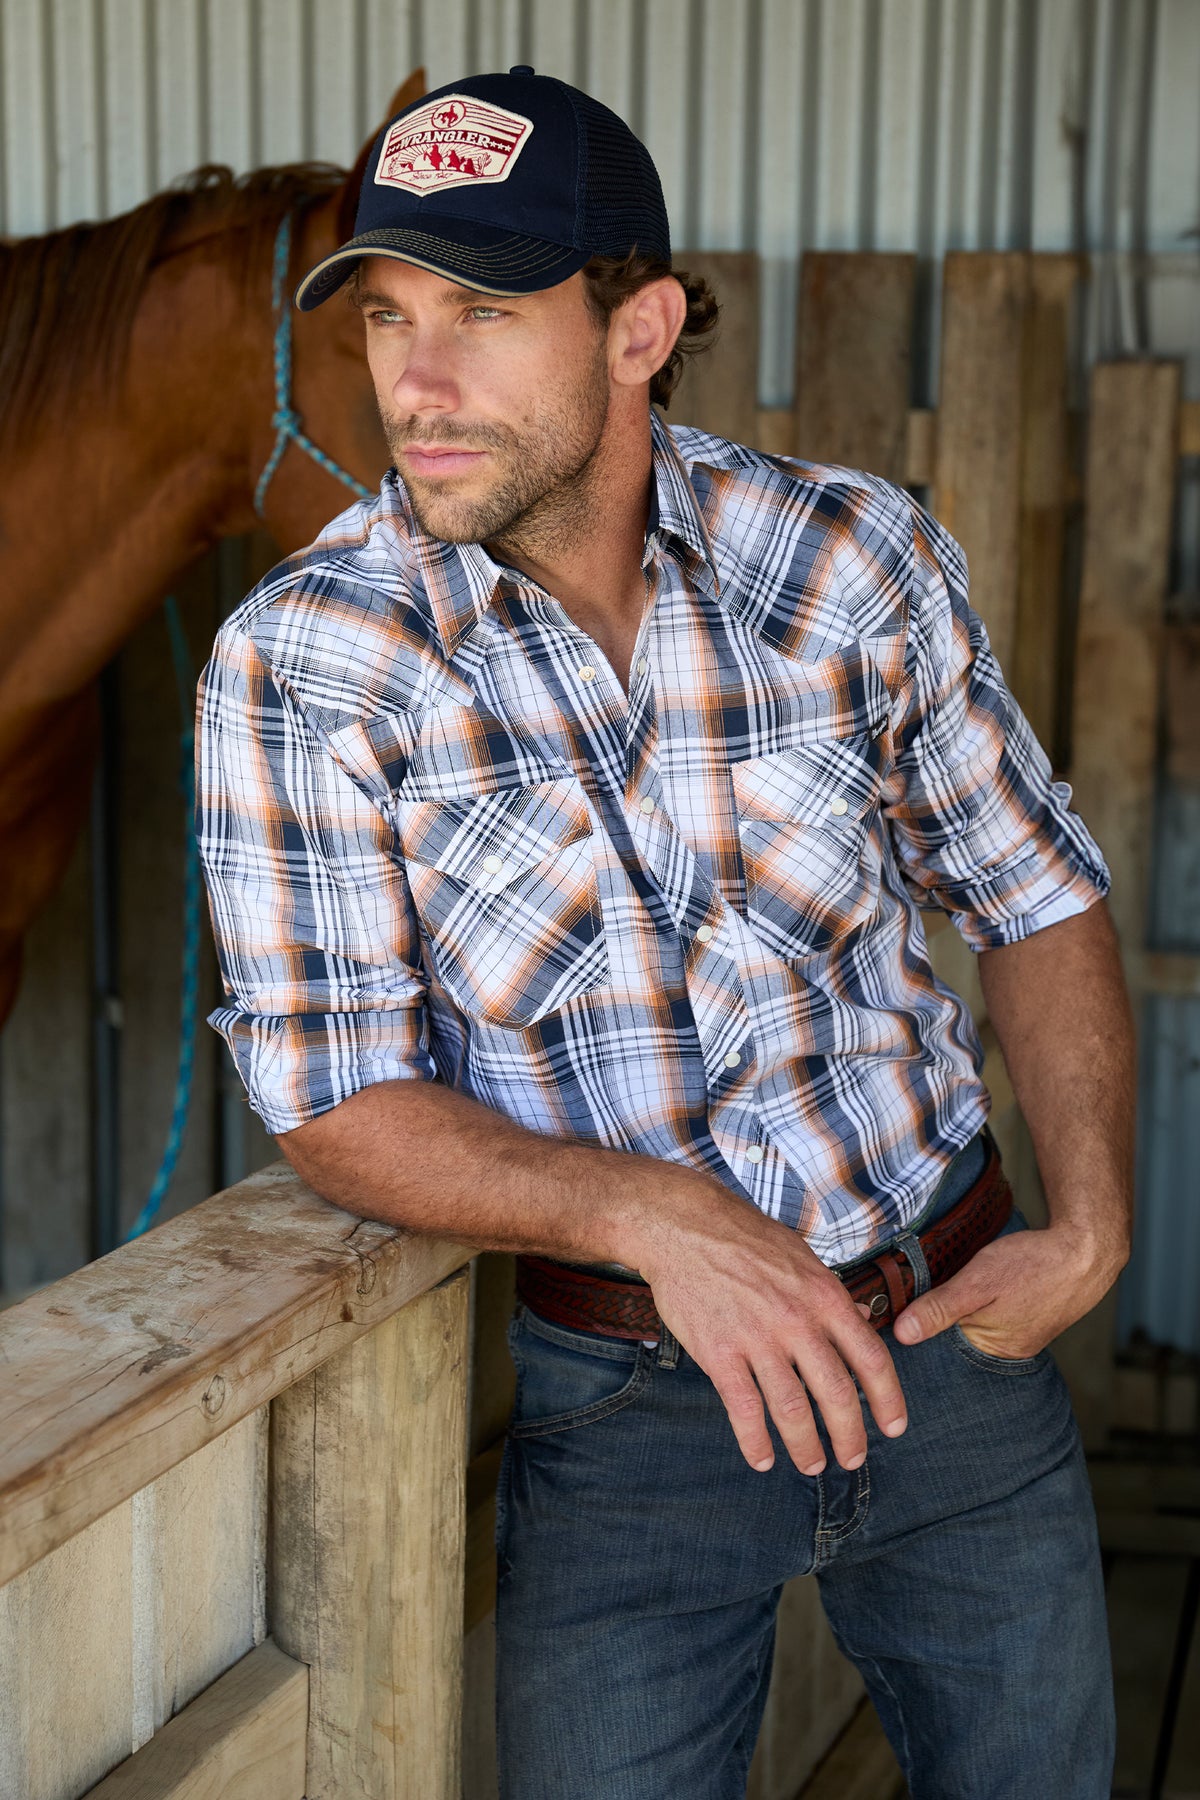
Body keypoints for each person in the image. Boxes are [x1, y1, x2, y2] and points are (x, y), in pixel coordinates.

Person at [196, 66, 1133, 1800]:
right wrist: (651, 1213)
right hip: (627, 1405)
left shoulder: (852, 559)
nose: (414, 376)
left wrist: (1093, 1223)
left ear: (642, 326)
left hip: (958, 1339)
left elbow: (1034, 890)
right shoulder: (302, 663)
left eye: (481, 309)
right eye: (390, 313)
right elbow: (331, 1096)